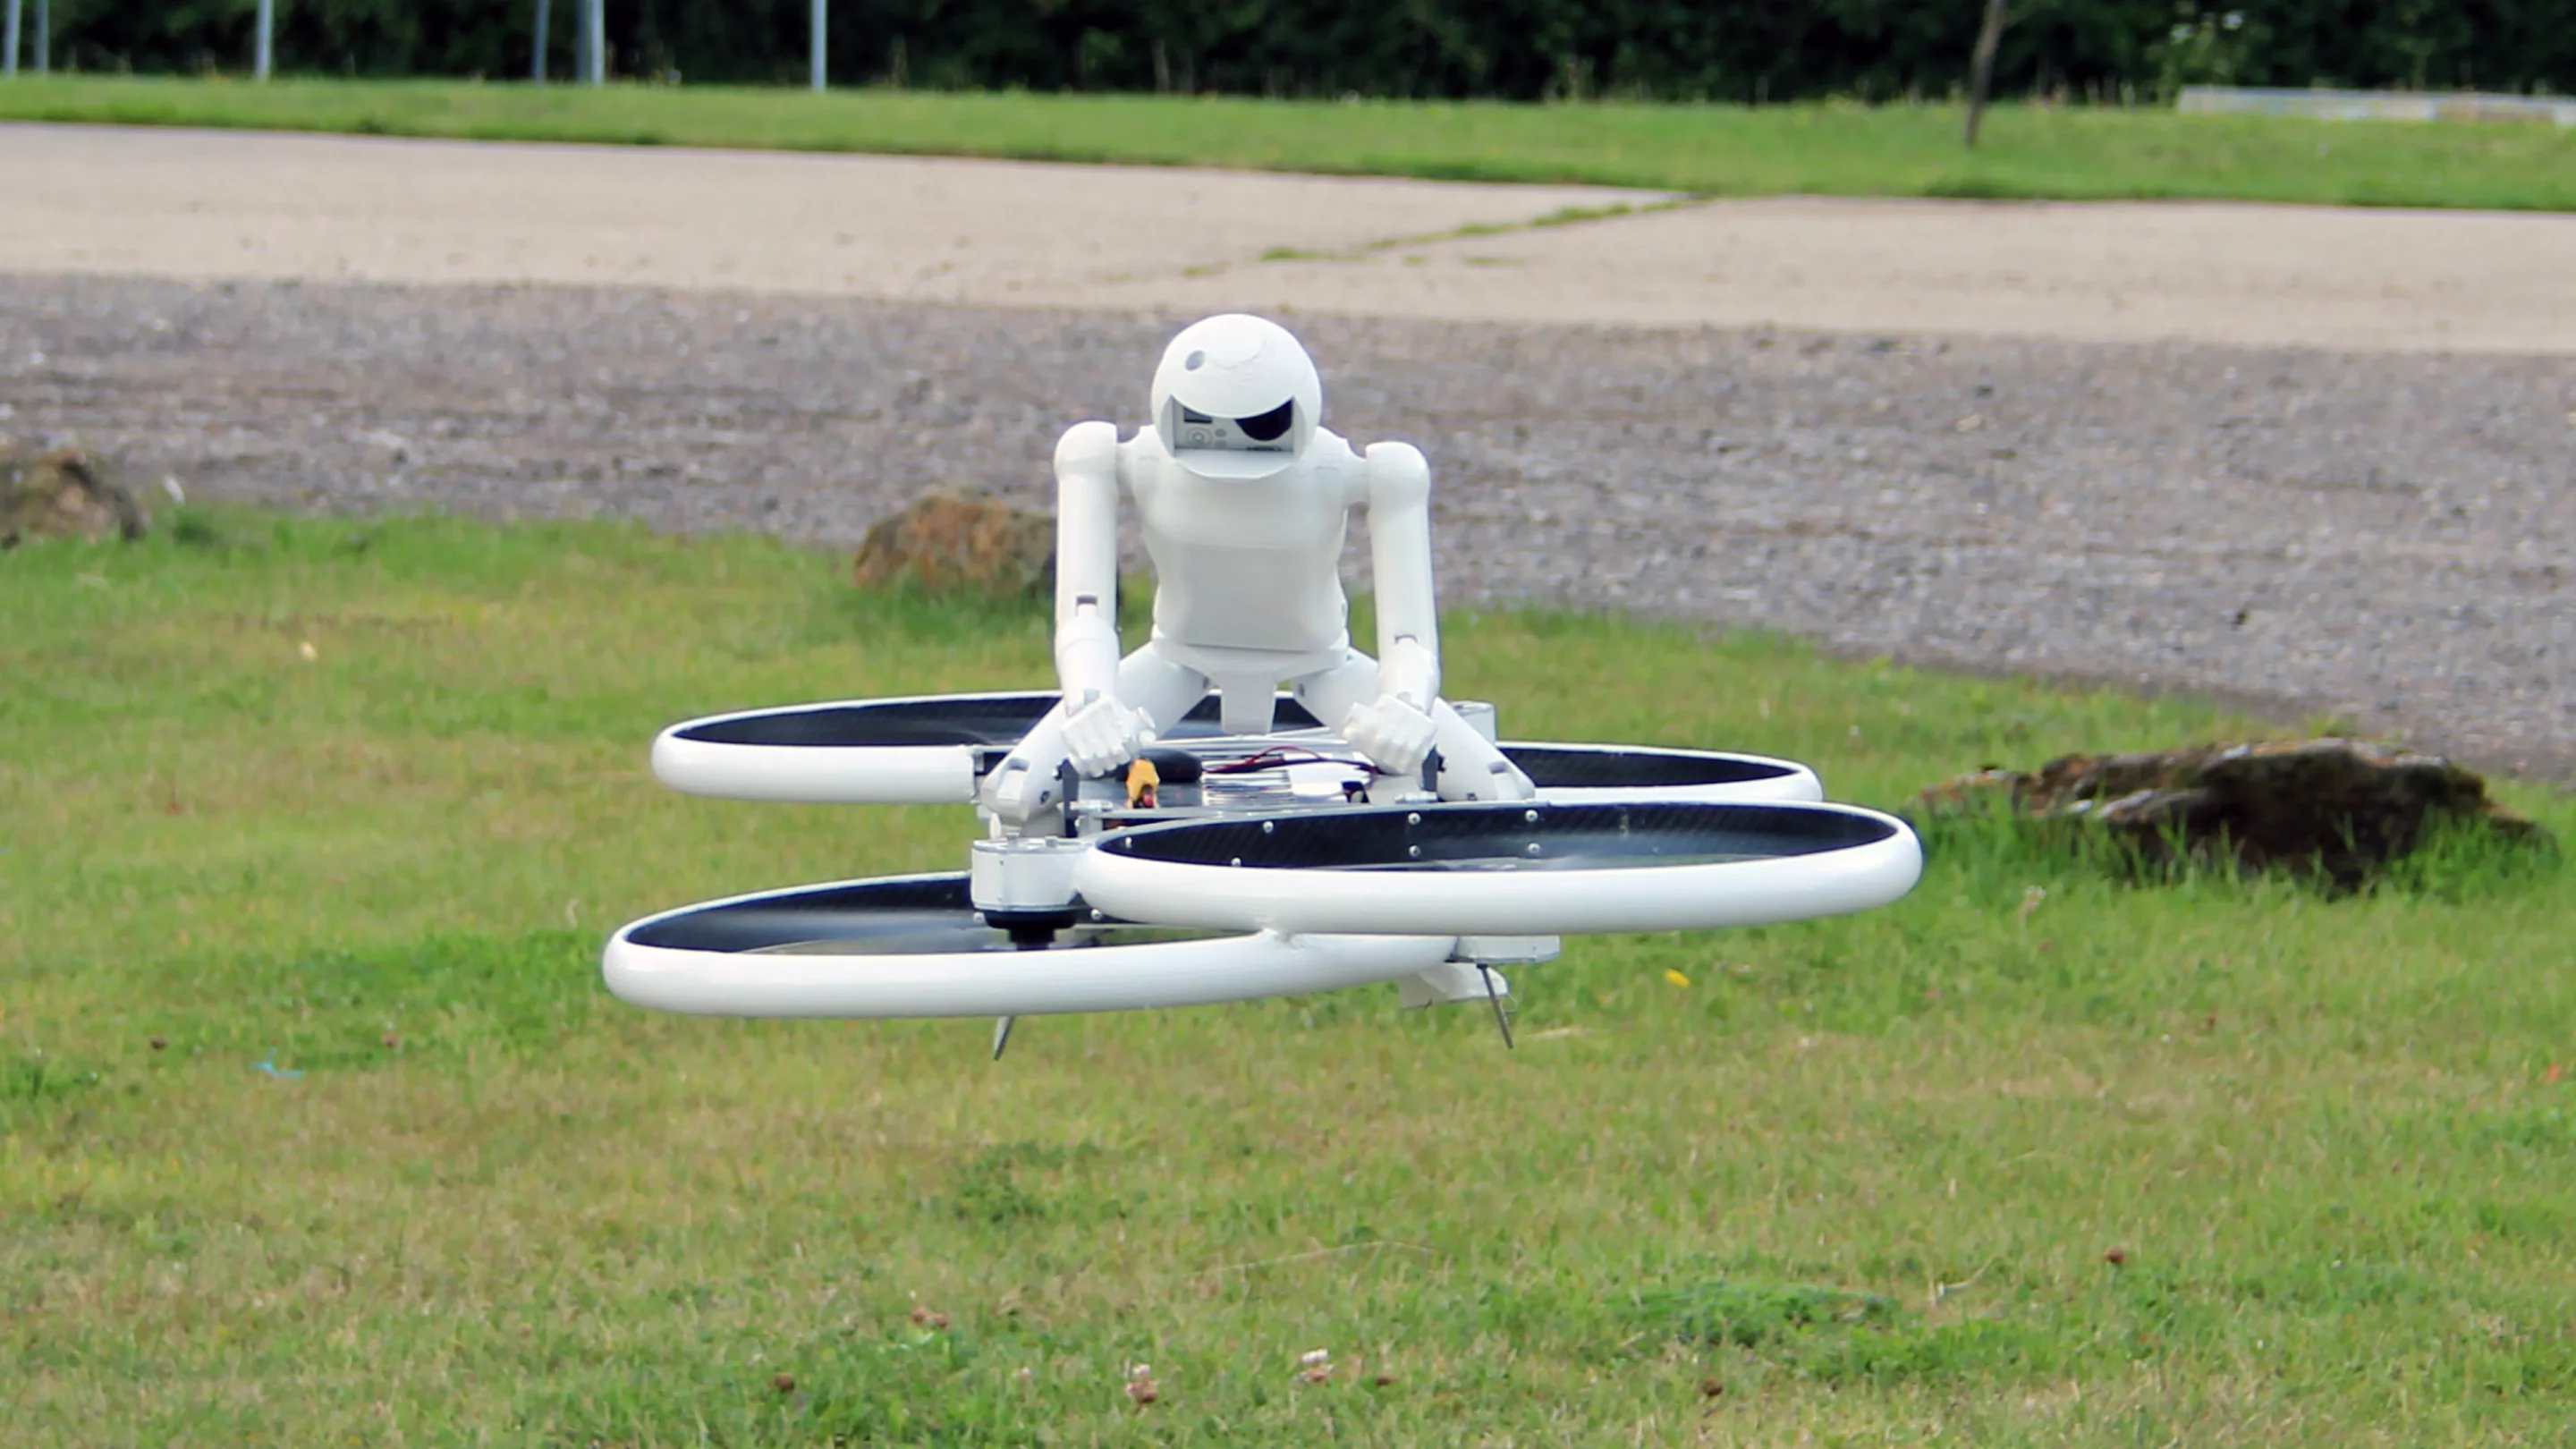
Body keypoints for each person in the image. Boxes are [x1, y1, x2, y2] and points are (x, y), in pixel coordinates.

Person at [981, 312, 1534, 825]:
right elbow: (1085, 609)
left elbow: (1409, 632)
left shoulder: (1369, 471)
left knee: (1499, 795)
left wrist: (1406, 705)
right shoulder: (1111, 456)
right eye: (1201, 423)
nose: (1231, 442)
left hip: (1324, 667)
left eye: (1262, 426)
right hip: (1174, 659)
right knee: (1017, 791)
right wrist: (1091, 699)